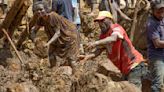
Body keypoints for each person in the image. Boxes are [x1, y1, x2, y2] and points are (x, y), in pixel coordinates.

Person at [79, 11, 147, 90]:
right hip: (125, 69)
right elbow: (98, 51)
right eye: (99, 22)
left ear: (109, 20)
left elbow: (113, 38)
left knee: (133, 89)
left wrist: (95, 43)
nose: (100, 24)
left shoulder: (116, 28)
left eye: (102, 20)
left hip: (134, 64)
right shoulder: (103, 36)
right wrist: (87, 57)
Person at [31, 1, 80, 68]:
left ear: (46, 9)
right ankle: (52, 72)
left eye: (41, 9)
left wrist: (48, 43)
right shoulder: (40, 19)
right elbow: (33, 30)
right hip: (56, 39)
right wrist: (34, 40)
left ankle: (76, 75)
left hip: (69, 35)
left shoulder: (53, 16)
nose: (39, 12)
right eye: (37, 10)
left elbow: (58, 33)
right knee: (51, 55)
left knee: (71, 59)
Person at [146, 2, 164, 92]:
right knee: (158, 84)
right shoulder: (151, 23)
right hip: (156, 56)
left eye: (163, 11)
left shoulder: (162, 19)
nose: (161, 14)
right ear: (152, 11)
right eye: (158, 12)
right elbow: (157, 43)